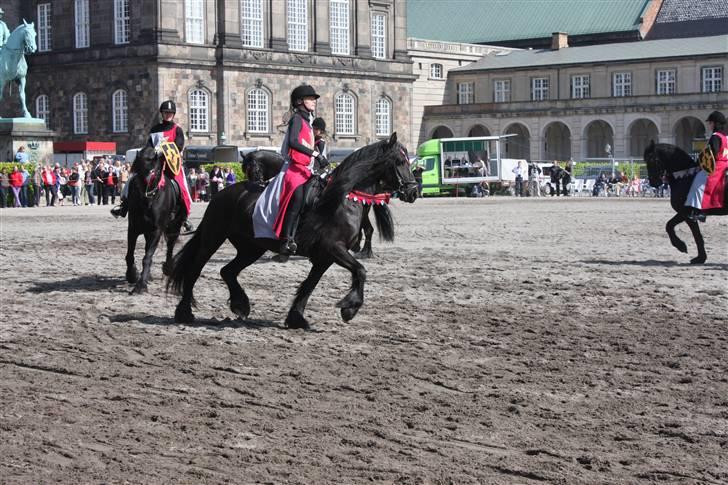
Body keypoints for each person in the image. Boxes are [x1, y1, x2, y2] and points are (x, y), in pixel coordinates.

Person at [112, 100, 194, 231]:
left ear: (173, 114)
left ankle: (183, 217)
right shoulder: (155, 129)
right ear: (162, 113)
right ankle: (124, 206)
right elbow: (149, 145)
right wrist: (146, 154)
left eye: (170, 113)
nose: (168, 115)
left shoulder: (177, 129)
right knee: (133, 179)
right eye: (166, 113)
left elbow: (178, 146)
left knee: (181, 186)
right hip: (154, 164)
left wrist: (163, 150)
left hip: (171, 164)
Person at [274, 85, 322, 255]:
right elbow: (294, 142)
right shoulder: (297, 119)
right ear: (300, 102)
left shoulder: (308, 123)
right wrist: (315, 153)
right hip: (294, 169)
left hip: (305, 169)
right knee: (298, 198)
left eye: (314, 99)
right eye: (310, 99)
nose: (314, 102)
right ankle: (285, 239)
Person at [685, 111, 728, 222]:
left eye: (710, 123)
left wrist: (699, 163)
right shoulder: (725, 137)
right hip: (725, 163)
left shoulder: (715, 136)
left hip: (717, 165)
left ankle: (700, 211)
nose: (709, 125)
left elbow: (711, 153)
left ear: (715, 123)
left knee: (699, 183)